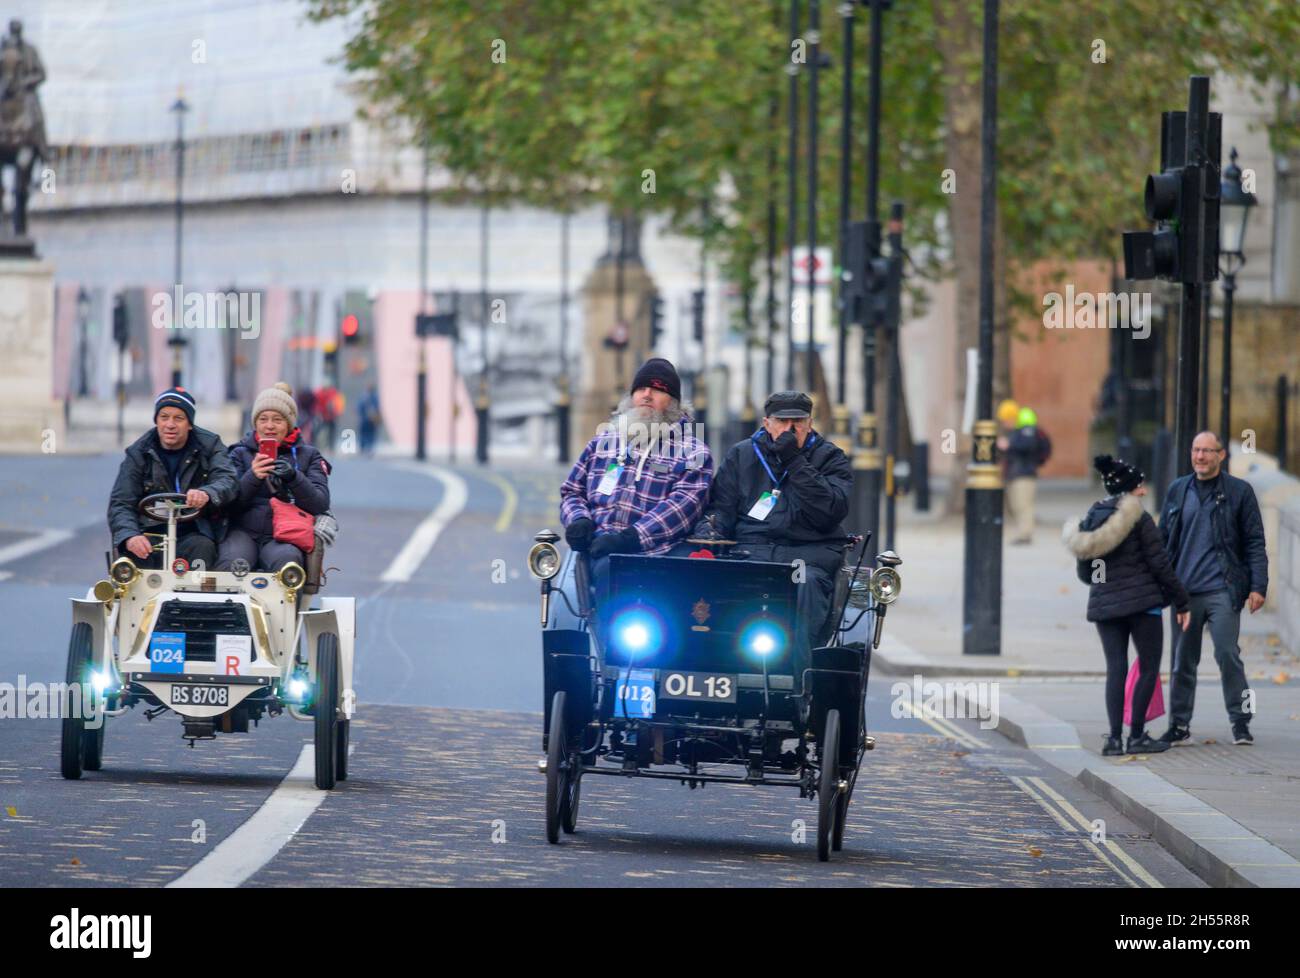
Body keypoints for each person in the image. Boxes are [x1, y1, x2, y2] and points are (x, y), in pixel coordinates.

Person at [695, 390, 853, 680]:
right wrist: (710, 529)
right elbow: (721, 508)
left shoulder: (830, 457)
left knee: (803, 585)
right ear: (767, 423)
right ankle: (716, 673)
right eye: (782, 421)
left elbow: (829, 511)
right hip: (750, 552)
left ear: (810, 423)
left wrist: (795, 461)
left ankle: (796, 683)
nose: (790, 429)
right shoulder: (742, 454)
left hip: (804, 558)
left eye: (798, 422)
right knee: (710, 586)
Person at [1064, 455, 1190, 755]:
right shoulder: (1141, 520)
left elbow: (1085, 572)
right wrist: (1181, 601)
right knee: (1148, 667)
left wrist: (1106, 582)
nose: (1144, 491)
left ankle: (1113, 740)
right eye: (1140, 486)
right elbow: (1160, 564)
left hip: (1105, 609)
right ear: (1131, 490)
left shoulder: (1091, 519)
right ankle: (1136, 736)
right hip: (1143, 606)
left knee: (1116, 669)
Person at [559, 358, 712, 602]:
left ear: (674, 402)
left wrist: (631, 538)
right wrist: (578, 520)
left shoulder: (694, 451)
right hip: (597, 548)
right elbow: (572, 491)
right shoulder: (603, 442)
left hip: (657, 556)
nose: (647, 395)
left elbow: (683, 507)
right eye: (641, 389)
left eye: (658, 389)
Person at [1158, 431, 1268, 747]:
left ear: (1221, 455)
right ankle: (1179, 725)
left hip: (1224, 589)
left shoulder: (1239, 492)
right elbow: (1162, 541)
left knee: (1228, 654)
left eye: (1208, 450)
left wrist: (1258, 586)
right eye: (1196, 450)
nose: (1201, 456)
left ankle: (1242, 722)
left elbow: (1254, 543)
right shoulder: (1178, 490)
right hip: (1183, 594)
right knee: (1182, 661)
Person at [107, 387, 238, 570]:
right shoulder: (138, 452)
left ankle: (195, 597)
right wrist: (130, 536)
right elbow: (121, 502)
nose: (170, 424)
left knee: (203, 548)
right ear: (156, 421)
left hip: (194, 531)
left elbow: (228, 479)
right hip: (149, 531)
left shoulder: (210, 445)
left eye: (179, 418)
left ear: (190, 424)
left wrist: (207, 493)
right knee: (130, 560)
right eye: (164, 417)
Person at [216, 382, 332, 573]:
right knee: (230, 564)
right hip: (243, 532)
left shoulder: (309, 455)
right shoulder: (238, 453)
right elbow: (226, 504)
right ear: (255, 423)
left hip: (286, 534)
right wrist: (252, 476)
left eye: (277, 420)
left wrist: (294, 477)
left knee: (288, 565)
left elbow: (320, 503)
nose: (269, 426)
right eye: (263, 419)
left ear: (289, 424)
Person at [1005, 406, 1052, 544]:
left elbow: (1026, 446)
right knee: (1017, 505)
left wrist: (1009, 445)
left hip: (1024, 474)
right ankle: (1023, 532)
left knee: (1024, 505)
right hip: (1017, 474)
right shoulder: (1017, 432)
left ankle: (1025, 534)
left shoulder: (1026, 432)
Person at [358, 385, 382, 455]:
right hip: (370, 419)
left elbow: (359, 407)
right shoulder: (374, 398)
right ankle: (368, 447)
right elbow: (378, 408)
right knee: (368, 433)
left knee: (366, 433)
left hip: (367, 419)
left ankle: (365, 447)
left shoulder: (364, 397)